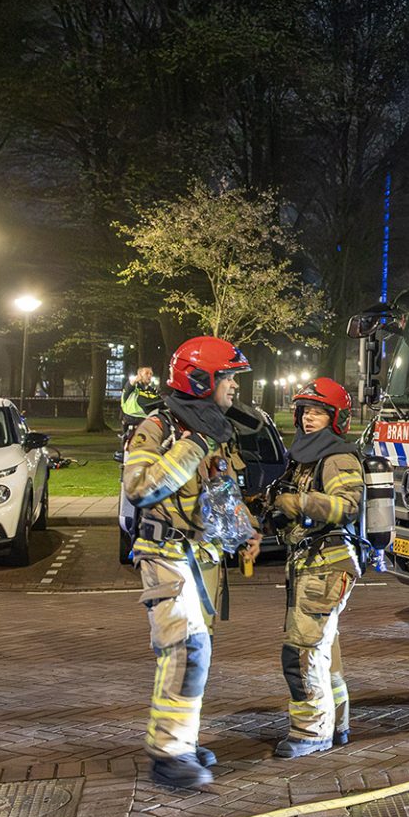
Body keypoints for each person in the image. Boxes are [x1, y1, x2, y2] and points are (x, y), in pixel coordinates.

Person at [123, 337, 252, 790]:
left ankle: (181, 741)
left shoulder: (213, 427)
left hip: (200, 558)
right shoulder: (158, 428)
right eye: (228, 378)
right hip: (165, 555)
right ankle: (169, 755)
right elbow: (139, 488)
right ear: (201, 380)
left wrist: (245, 530)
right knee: (186, 648)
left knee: (193, 652)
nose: (234, 387)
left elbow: (221, 492)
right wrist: (194, 445)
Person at [265, 377, 362, 758]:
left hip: (328, 563)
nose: (308, 419)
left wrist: (300, 502)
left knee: (301, 651)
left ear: (335, 418)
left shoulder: (337, 457)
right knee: (324, 649)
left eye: (318, 412)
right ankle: (336, 723)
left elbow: (347, 505)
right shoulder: (307, 456)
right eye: (305, 411)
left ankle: (310, 732)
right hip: (312, 562)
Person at [120, 366, 162, 438]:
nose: (149, 376)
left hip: (149, 423)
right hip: (133, 422)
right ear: (139, 375)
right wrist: (135, 380)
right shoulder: (133, 389)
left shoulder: (153, 391)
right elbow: (130, 384)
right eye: (146, 373)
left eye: (151, 374)